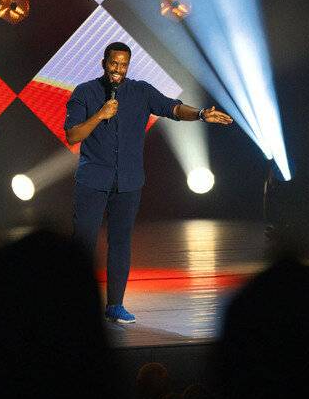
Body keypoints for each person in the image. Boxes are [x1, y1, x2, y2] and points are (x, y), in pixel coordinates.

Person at [65, 41, 232, 324]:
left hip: (129, 182)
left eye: (123, 64)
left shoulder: (141, 91)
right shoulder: (85, 92)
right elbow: (73, 135)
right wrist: (100, 114)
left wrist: (202, 114)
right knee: (83, 244)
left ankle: (115, 305)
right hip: (93, 180)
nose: (118, 69)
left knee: (120, 243)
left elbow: (173, 108)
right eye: (114, 63)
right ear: (104, 62)